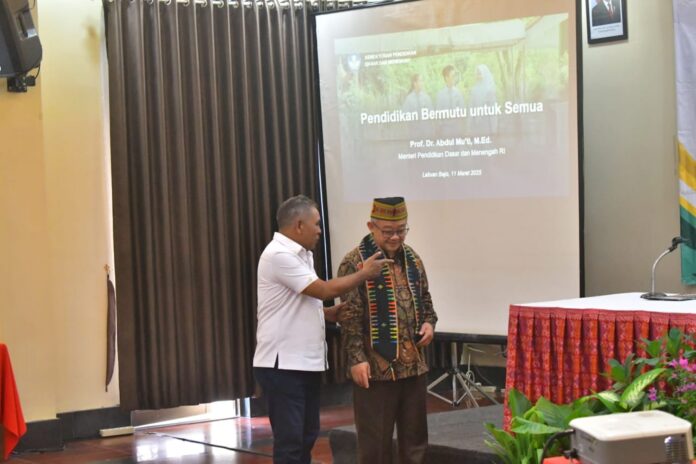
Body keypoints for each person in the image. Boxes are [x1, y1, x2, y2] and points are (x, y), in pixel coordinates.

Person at [253, 194, 391, 464]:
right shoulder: (279, 255)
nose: (320, 230)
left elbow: (298, 303)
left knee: (306, 437)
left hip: (304, 363)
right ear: (299, 225)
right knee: (291, 441)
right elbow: (323, 289)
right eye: (316, 224)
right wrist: (364, 273)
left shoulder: (303, 255)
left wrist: (328, 314)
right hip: (284, 365)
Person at [337, 197, 438, 464]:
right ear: (371, 226)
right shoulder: (355, 262)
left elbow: (426, 300)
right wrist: (356, 359)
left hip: (413, 366)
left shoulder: (413, 258)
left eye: (401, 230)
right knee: (376, 446)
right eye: (388, 231)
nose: (396, 237)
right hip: (375, 367)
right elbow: (349, 317)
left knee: (415, 441)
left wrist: (429, 323)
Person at [435, 65, 466, 136]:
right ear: (446, 78)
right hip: (445, 129)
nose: (454, 78)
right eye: (452, 76)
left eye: (455, 76)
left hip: (457, 129)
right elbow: (438, 114)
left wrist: (462, 128)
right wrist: (440, 129)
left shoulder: (458, 93)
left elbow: (462, 111)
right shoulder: (440, 95)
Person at [468, 64, 498, 135]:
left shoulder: (490, 90)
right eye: (477, 73)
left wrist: (494, 129)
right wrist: (468, 127)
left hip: (487, 125)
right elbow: (470, 109)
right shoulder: (474, 90)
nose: (478, 75)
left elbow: (493, 112)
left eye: (480, 73)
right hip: (476, 126)